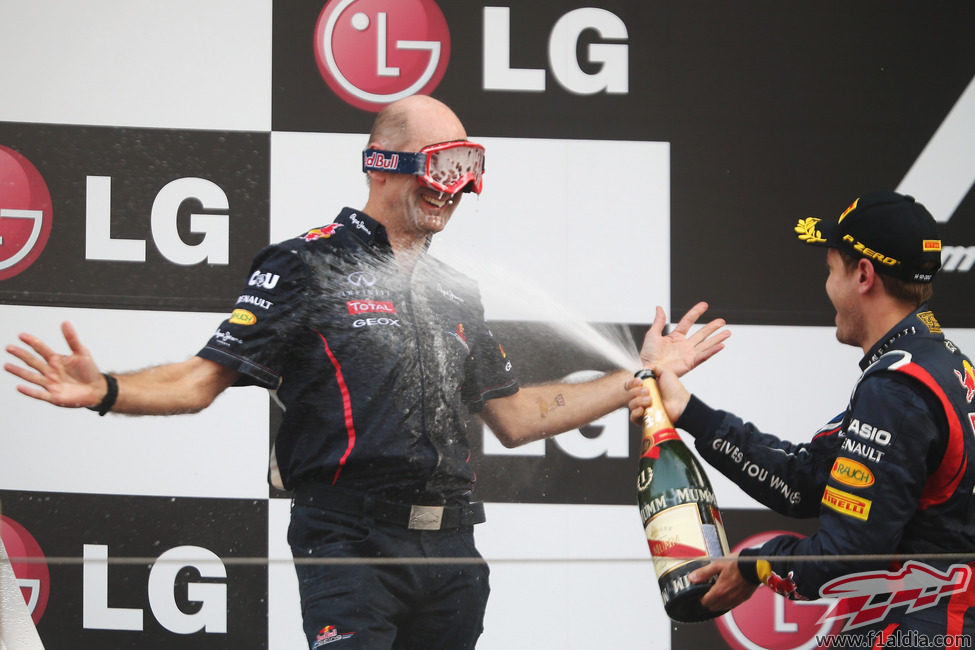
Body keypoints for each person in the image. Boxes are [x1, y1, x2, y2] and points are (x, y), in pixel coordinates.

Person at [5, 95, 729, 649]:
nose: (457, 187)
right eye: (444, 165)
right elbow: (200, 380)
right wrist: (104, 391)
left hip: (450, 547)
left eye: (468, 169)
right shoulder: (304, 265)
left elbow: (516, 417)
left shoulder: (455, 289)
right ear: (386, 162)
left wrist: (636, 378)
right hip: (346, 542)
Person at [628, 190, 975, 647]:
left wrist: (756, 563)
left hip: (917, 634)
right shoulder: (934, 366)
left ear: (864, 275)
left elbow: (844, 557)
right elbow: (806, 479)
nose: (827, 286)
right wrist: (690, 413)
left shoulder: (897, 390)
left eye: (831, 271)